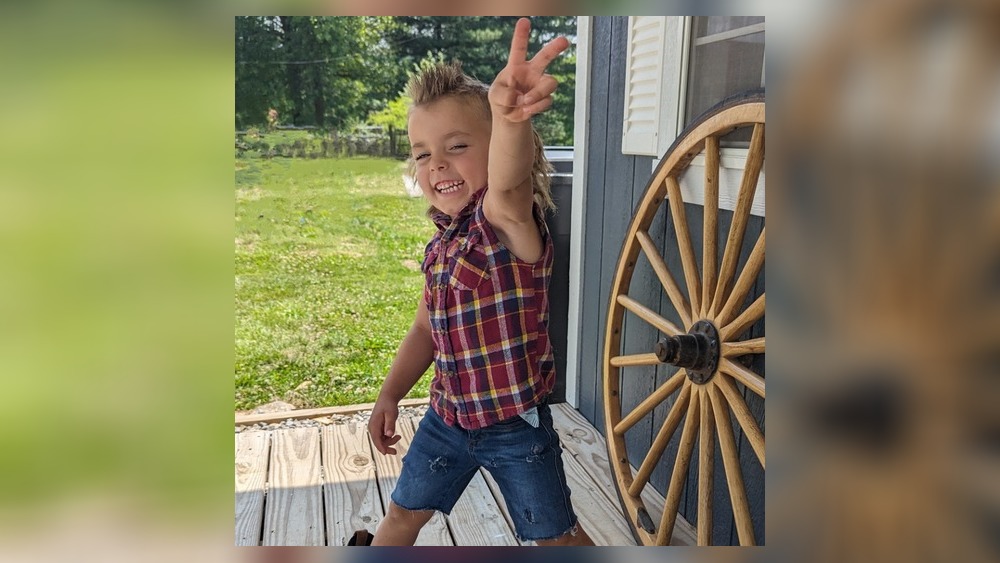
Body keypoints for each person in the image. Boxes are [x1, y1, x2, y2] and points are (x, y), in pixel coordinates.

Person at [365, 18, 594, 546]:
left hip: (516, 428)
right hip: (446, 419)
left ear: (498, 149)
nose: (436, 163)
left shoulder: (507, 222)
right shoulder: (442, 244)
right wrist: (390, 393)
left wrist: (509, 119)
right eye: (422, 153)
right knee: (401, 516)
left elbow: (509, 182)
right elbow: (425, 327)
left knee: (557, 537)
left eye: (458, 145)